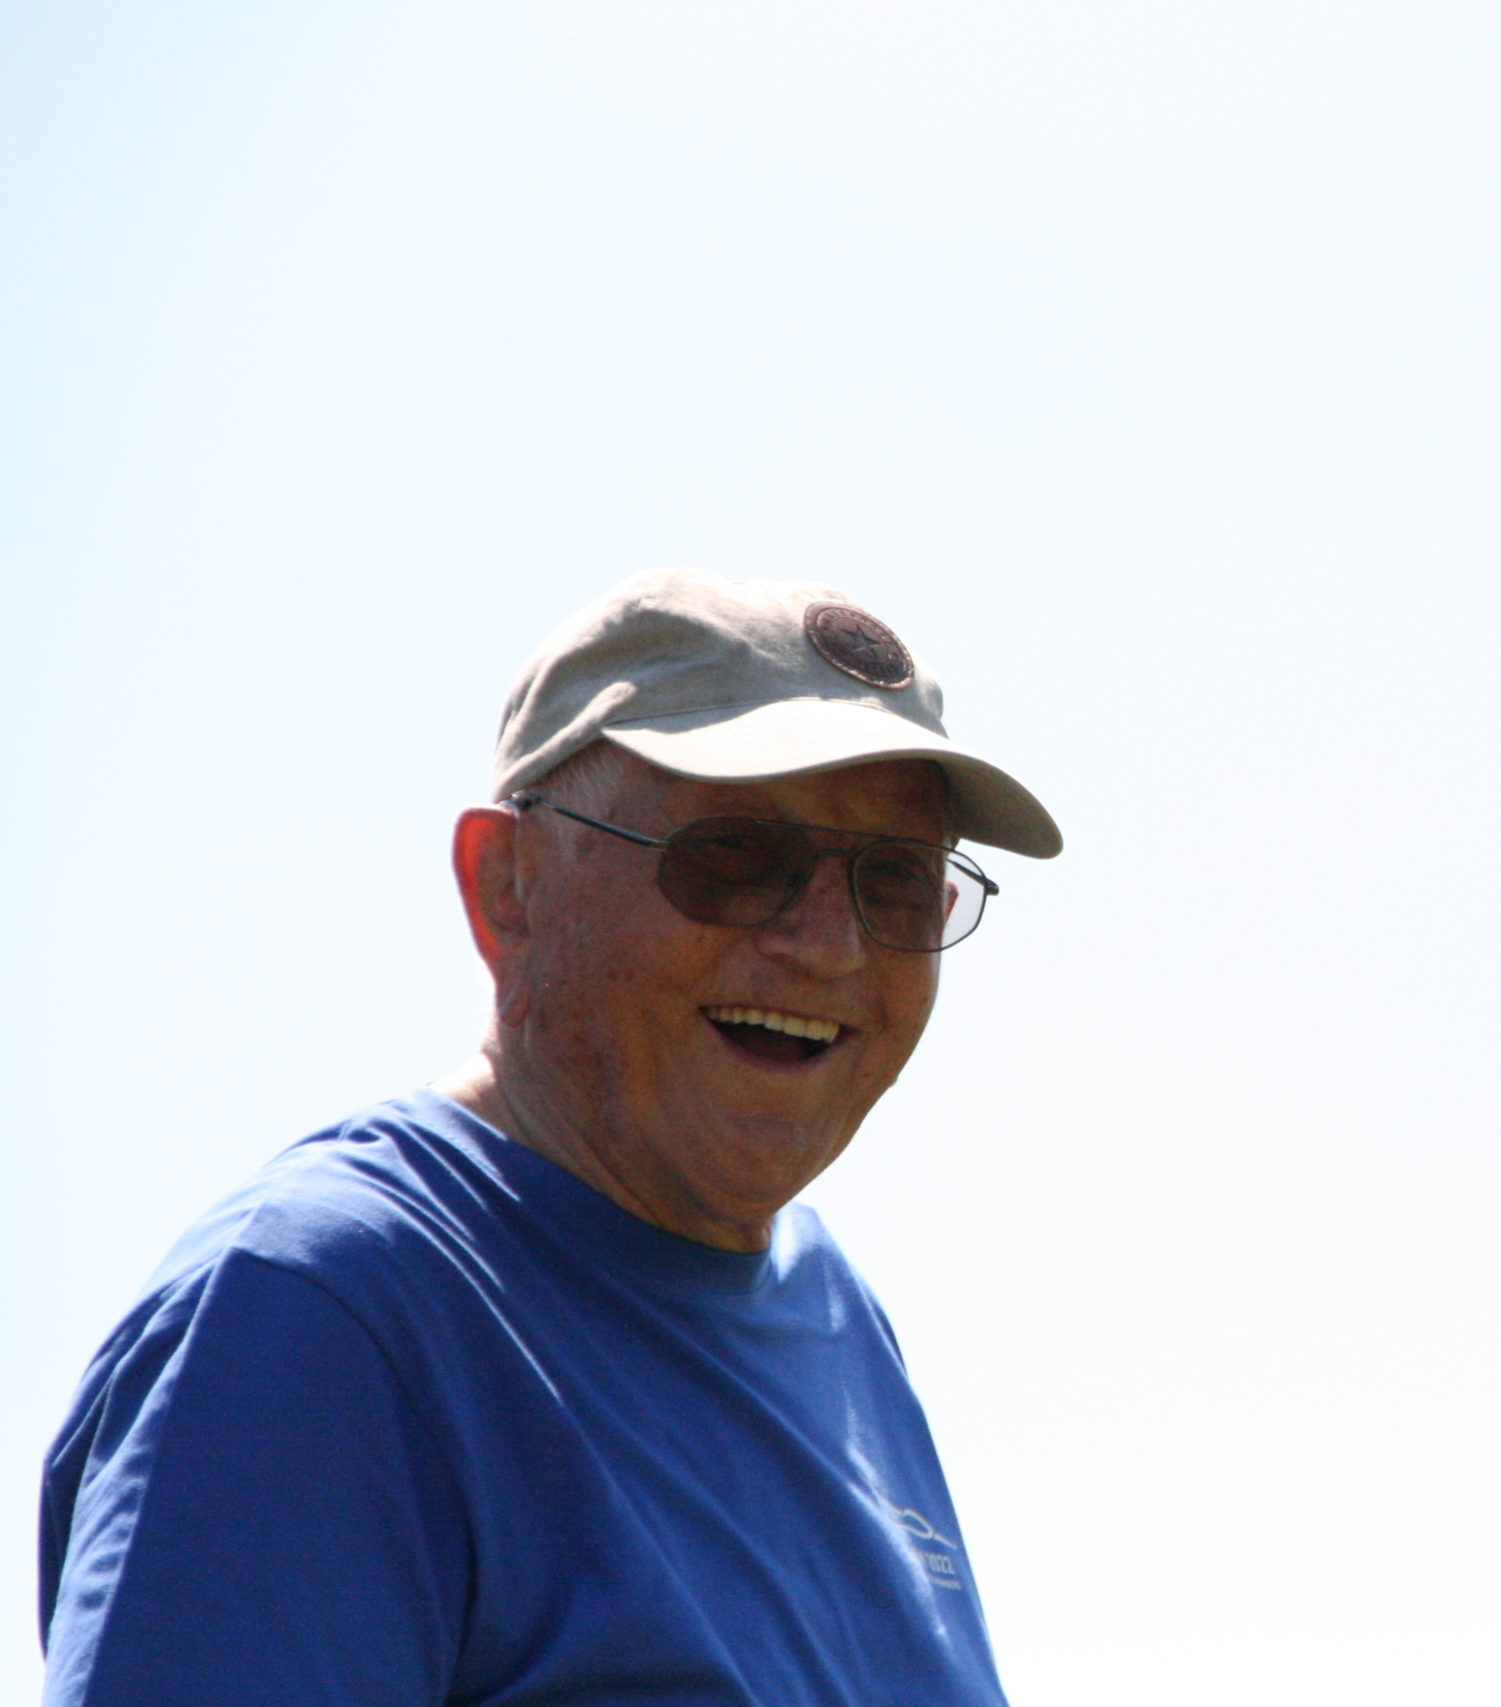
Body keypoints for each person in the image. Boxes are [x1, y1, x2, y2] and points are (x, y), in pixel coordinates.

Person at [37, 570, 1062, 1705]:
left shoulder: (836, 1319)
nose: (830, 945)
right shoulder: (323, 1315)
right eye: (734, 855)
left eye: (898, 881)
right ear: (507, 887)